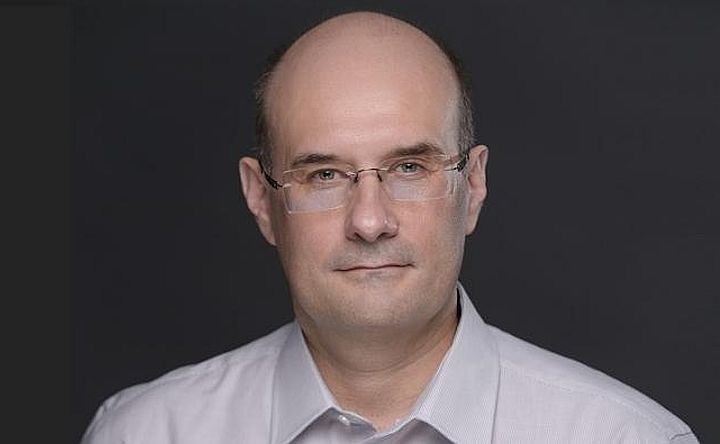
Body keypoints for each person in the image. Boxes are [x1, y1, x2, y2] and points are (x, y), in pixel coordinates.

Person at [81, 11, 698, 444]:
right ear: (261, 200)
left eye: (410, 167)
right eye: (324, 175)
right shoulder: (143, 434)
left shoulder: (625, 437)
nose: (370, 221)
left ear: (473, 186)